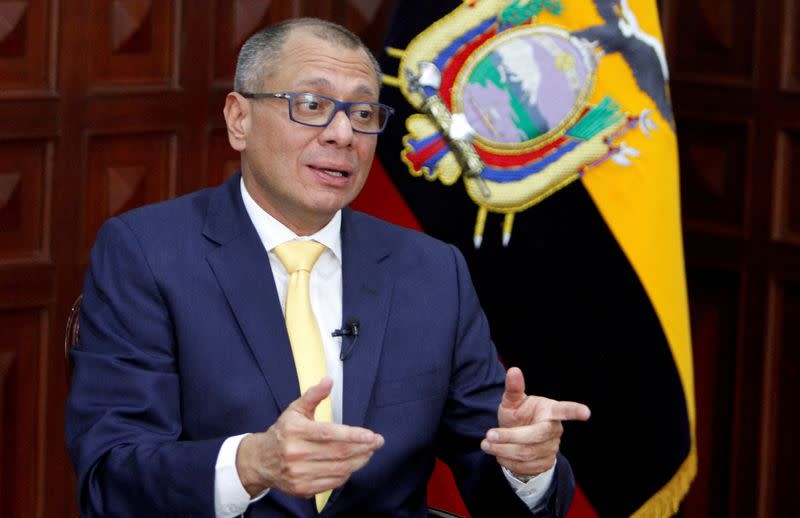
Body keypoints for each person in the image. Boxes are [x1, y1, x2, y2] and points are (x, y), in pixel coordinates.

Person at [65, 18, 590, 518]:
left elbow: (495, 485)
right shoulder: (147, 253)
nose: (343, 134)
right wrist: (251, 465)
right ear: (239, 119)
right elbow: (111, 480)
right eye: (311, 105)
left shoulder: (431, 271)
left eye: (363, 114)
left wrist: (529, 466)